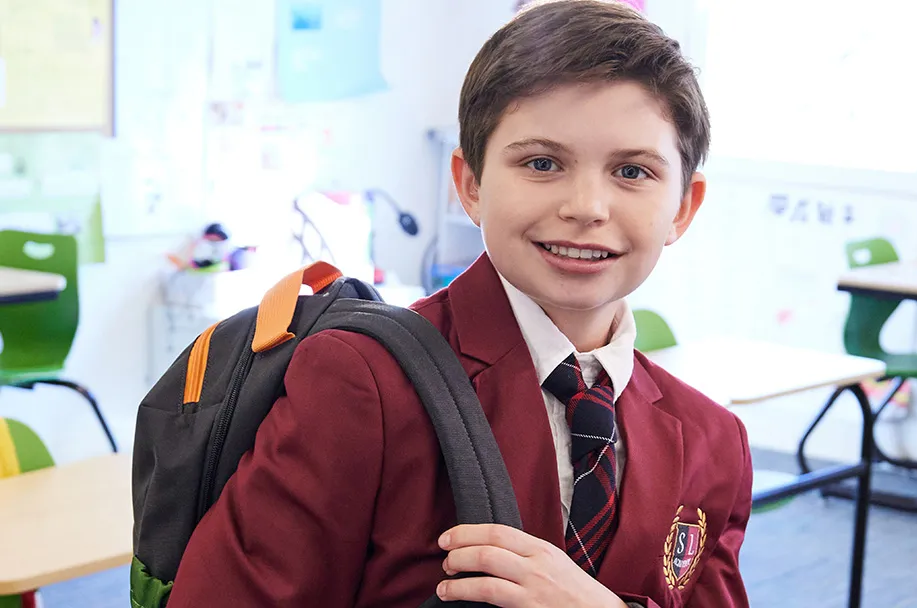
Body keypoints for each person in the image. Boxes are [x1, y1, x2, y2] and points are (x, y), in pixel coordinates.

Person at [167, 1, 751, 606]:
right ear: (470, 184)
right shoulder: (363, 384)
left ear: (683, 206)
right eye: (542, 163)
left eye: (632, 171)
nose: (587, 207)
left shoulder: (715, 443)